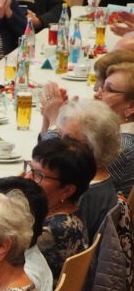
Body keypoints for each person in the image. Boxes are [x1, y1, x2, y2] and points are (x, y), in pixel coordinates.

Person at [26, 136, 94, 281]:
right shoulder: (68, 211)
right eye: (30, 168)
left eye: (38, 174)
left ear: (67, 190)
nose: (27, 177)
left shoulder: (54, 230)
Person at [57, 97, 122, 238]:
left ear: (93, 146)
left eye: (68, 139)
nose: (58, 145)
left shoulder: (81, 192)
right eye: (59, 137)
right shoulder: (102, 180)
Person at [91, 56, 134, 196]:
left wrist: (55, 123)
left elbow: (74, 187)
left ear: (131, 106)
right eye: (102, 86)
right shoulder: (115, 134)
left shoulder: (122, 147)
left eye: (108, 89)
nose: (98, 93)